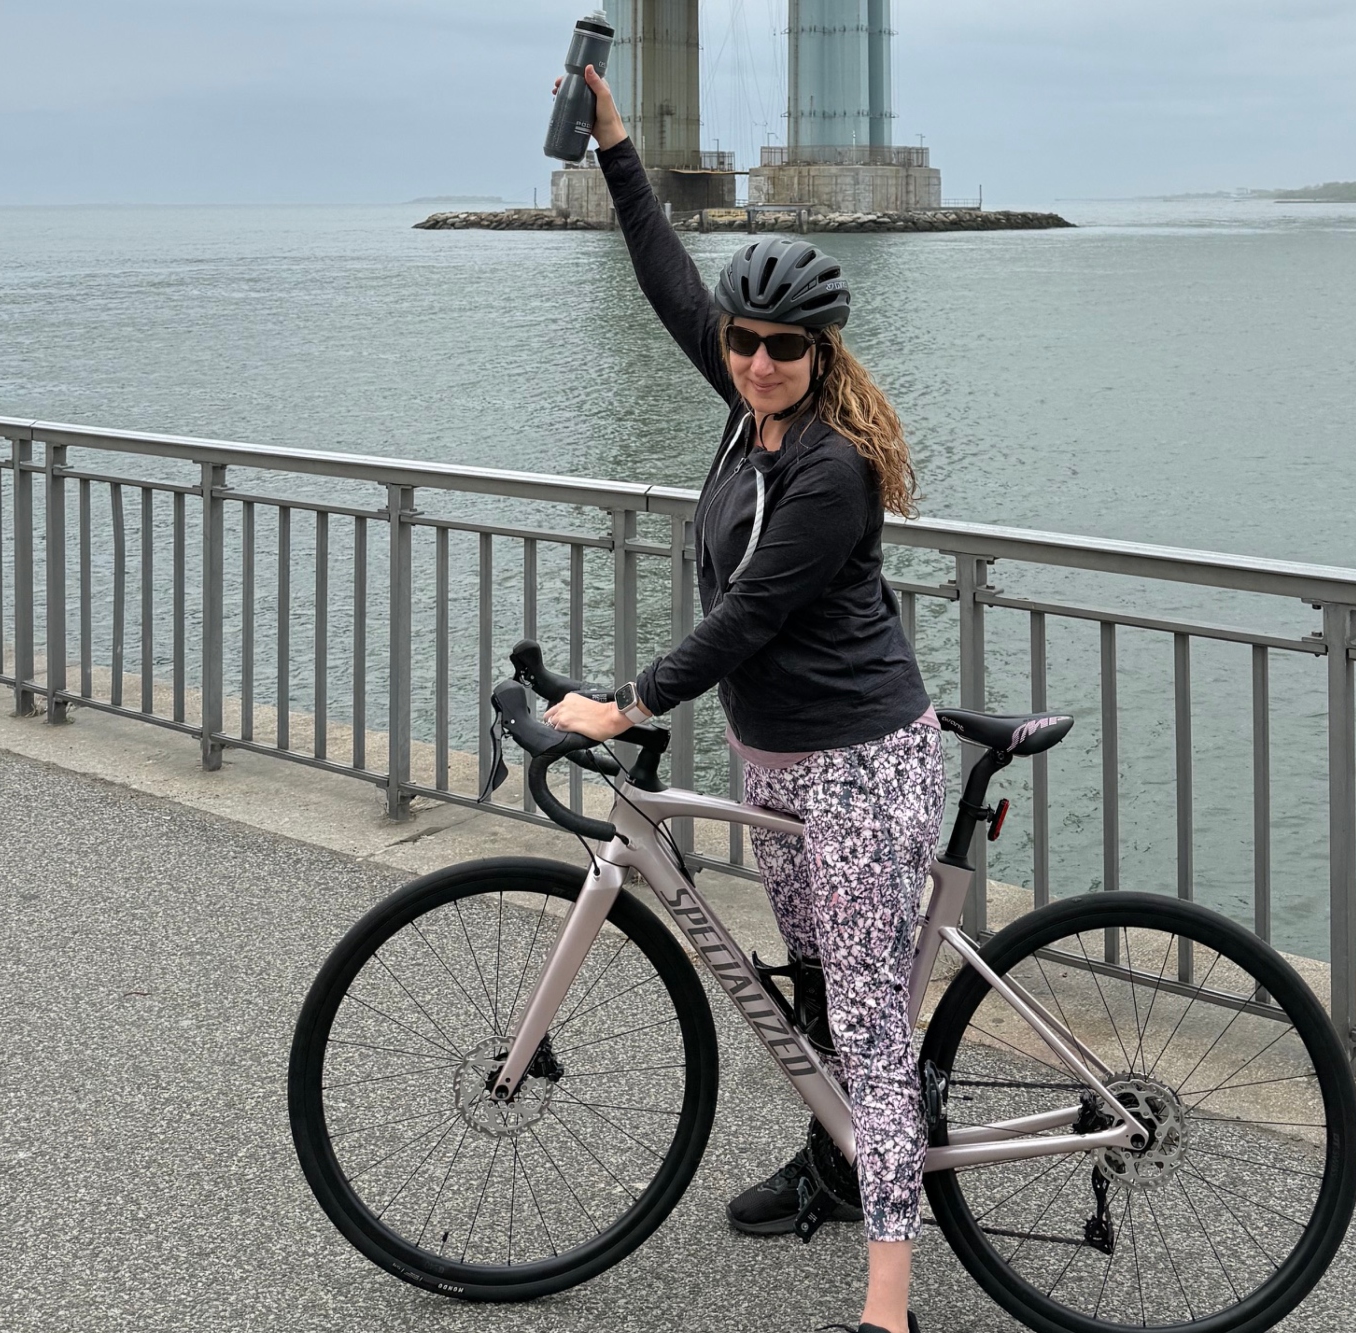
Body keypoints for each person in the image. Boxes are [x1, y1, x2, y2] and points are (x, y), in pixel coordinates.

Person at [542, 64, 943, 1333]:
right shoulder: (745, 415)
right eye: (743, 342)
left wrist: (623, 702)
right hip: (774, 758)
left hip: (860, 763)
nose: (756, 360)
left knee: (867, 1028)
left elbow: (750, 614)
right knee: (812, 987)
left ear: (820, 356)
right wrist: (616, 145)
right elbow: (668, 278)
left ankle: (888, 1304)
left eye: (783, 347)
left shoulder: (831, 472)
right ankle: (832, 1163)